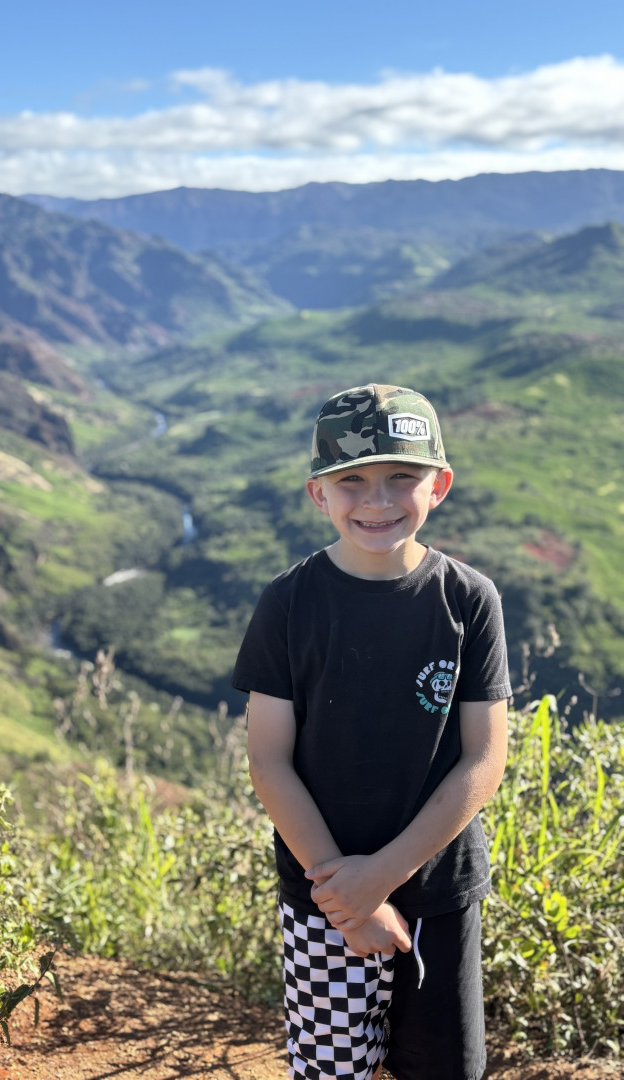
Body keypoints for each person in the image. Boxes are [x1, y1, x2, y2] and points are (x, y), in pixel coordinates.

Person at [232, 384, 510, 1080]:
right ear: (317, 494)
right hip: (324, 894)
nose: (377, 500)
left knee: (446, 1069)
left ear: (438, 486)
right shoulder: (289, 603)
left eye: (401, 477)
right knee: (334, 1070)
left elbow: (483, 759)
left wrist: (378, 879)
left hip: (438, 891)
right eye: (351, 480)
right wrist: (351, 904)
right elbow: (269, 762)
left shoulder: (469, 600)